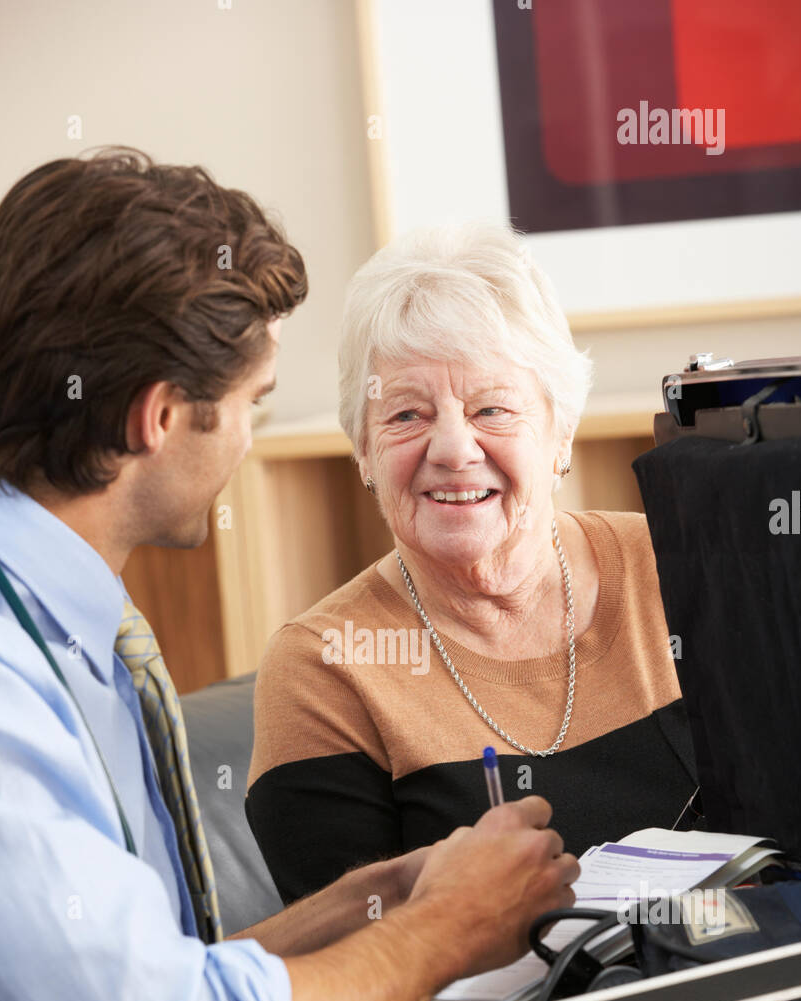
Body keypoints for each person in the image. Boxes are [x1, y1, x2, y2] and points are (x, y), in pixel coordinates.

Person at [0, 149, 801, 1001]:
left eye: (493, 406)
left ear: (555, 427)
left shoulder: (29, 610)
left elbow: (149, 999)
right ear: (161, 417)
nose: (249, 445)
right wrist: (440, 929)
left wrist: (385, 900)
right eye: (254, 407)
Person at [246, 224, 697, 907]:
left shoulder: (680, 568)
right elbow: (361, 963)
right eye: (406, 414)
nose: (454, 448)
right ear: (364, 451)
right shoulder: (323, 668)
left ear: (559, 431)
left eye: (492, 408)